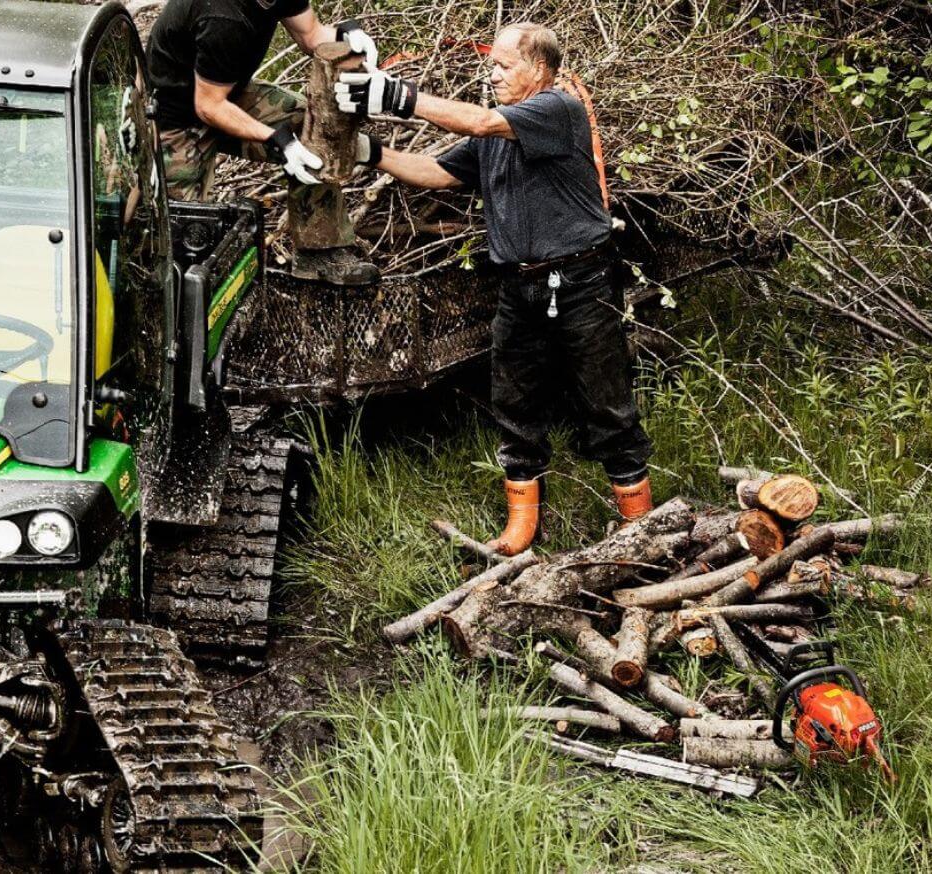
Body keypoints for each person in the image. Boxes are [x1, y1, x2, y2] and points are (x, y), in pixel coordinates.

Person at [336, 23, 654, 555]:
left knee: (606, 404)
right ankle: (522, 526)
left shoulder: (558, 109)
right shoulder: (493, 139)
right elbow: (437, 172)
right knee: (514, 404)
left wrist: (394, 96)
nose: (493, 75)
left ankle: (639, 527)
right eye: (492, 66)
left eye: (504, 66)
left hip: (580, 282)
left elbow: (482, 120)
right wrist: (372, 152)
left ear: (539, 68)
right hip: (519, 287)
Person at [147, 0, 380, 285]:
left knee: (308, 122)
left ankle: (319, 251)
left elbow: (311, 34)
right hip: (176, 119)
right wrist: (278, 140)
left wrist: (348, 35)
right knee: (185, 235)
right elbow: (208, 107)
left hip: (226, 94)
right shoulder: (224, 17)